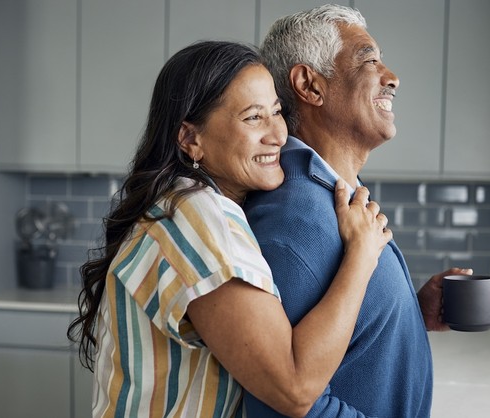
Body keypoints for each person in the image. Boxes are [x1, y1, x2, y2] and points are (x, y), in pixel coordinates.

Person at [67, 40, 394, 418]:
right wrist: (361, 256)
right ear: (191, 139)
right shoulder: (198, 220)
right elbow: (295, 389)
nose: (278, 135)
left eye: (276, 112)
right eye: (253, 118)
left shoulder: (188, 205)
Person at [242, 5, 472, 417]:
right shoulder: (294, 218)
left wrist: (411, 313)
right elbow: (283, 402)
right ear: (310, 86)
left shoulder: (336, 195)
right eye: (369, 59)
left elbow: (340, 339)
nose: (393, 77)